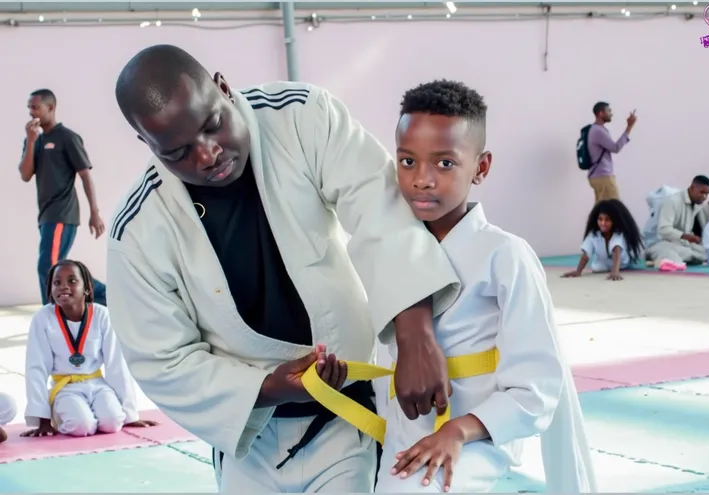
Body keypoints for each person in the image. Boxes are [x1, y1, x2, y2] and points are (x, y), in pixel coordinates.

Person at [107, 44, 460, 493]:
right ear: (147, 145)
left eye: (212, 125)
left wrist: (415, 332)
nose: (208, 154)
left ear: (223, 88)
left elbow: (380, 209)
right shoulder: (138, 229)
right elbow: (161, 360)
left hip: (348, 414)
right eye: (177, 152)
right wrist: (268, 388)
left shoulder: (301, 116)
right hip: (251, 438)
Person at [323, 80, 594, 493]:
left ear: (481, 168)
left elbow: (538, 388)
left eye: (445, 163)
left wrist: (457, 432)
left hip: (477, 435)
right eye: (407, 161)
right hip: (400, 432)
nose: (422, 180)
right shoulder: (383, 251)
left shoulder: (505, 255)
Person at [22, 259, 156, 438]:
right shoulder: (43, 318)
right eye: (57, 283)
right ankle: (60, 414)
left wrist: (130, 415)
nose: (63, 286)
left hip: (97, 384)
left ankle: (92, 412)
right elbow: (36, 368)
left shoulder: (103, 315)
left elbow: (116, 363)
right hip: (65, 388)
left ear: (86, 288)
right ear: (50, 290)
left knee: (113, 423)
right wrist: (43, 419)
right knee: (81, 427)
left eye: (72, 281)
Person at [18, 89, 108, 306]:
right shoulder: (35, 141)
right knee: (57, 266)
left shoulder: (67, 138)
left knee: (47, 266)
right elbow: (25, 175)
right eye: (29, 108)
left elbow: (85, 175)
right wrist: (31, 142)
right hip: (46, 215)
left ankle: (50, 313)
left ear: (50, 108)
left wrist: (94, 213)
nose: (31, 112)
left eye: (35, 107)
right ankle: (106, 294)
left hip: (62, 213)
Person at [562, 199, 643, 281]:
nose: (603, 223)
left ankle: (616, 267)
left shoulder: (618, 234)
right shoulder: (593, 235)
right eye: (600, 219)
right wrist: (578, 271)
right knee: (596, 268)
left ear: (614, 221)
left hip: (621, 263)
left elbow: (617, 251)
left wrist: (615, 271)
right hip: (603, 263)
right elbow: (586, 255)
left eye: (607, 220)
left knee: (621, 259)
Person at [644, 175, 709, 271]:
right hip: (662, 243)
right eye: (702, 192)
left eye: (707, 194)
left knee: (708, 252)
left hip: (682, 245)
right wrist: (685, 236)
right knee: (665, 250)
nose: (704, 197)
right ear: (692, 187)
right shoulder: (672, 201)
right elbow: (663, 229)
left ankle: (666, 260)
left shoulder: (698, 205)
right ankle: (666, 260)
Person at [586, 101, 637, 203]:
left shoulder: (593, 129)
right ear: (601, 113)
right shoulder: (598, 131)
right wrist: (629, 127)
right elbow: (616, 148)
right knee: (614, 208)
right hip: (603, 177)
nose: (611, 114)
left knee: (601, 210)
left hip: (596, 176)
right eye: (609, 111)